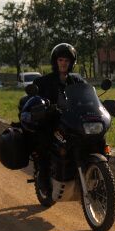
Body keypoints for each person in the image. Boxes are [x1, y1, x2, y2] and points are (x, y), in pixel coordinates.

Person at [30, 43, 86, 191]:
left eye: (67, 60)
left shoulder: (77, 80)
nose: (63, 63)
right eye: (61, 60)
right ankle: (43, 178)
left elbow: (87, 95)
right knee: (44, 140)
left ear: (72, 63)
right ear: (55, 61)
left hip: (72, 120)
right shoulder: (44, 81)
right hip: (52, 120)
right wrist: (45, 107)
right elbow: (36, 99)